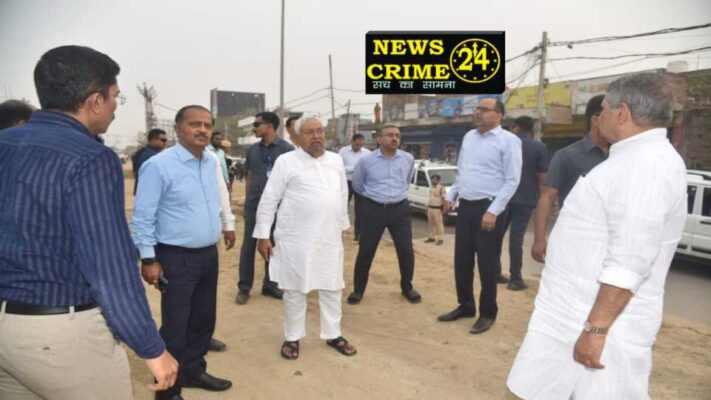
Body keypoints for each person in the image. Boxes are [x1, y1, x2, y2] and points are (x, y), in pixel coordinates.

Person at [0, 45, 177, 399]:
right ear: (95, 101)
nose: (115, 106)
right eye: (115, 96)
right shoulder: (91, 158)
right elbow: (109, 267)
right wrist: (151, 347)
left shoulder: (4, 143)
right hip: (59, 334)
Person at [507, 72, 687, 400]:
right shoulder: (633, 158)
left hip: (597, 329)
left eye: (603, 109)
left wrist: (596, 329)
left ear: (622, 113)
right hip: (570, 319)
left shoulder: (646, 166)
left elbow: (630, 260)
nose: (598, 116)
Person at [132, 105, 236, 399]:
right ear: (178, 129)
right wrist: (149, 258)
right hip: (175, 257)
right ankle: (168, 392)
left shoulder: (210, 162)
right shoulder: (158, 165)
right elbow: (143, 217)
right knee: (176, 326)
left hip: (207, 254)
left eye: (207, 125)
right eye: (195, 124)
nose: (202, 130)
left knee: (203, 320)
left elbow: (219, 198)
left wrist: (227, 223)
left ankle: (193, 371)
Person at [254, 116, 357, 360]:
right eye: (310, 132)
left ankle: (333, 334)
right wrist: (263, 235)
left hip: (329, 237)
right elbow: (269, 199)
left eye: (320, 131)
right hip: (295, 238)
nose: (317, 136)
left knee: (332, 286)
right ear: (298, 137)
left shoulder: (335, 160)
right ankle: (292, 337)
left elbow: (342, 193)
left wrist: (342, 224)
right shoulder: (286, 161)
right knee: (295, 288)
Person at [437, 98, 522, 335]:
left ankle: (487, 313)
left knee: (487, 263)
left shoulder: (509, 141)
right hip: (466, 206)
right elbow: (462, 171)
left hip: (489, 208)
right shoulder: (469, 137)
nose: (478, 113)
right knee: (462, 260)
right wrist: (451, 195)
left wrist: (493, 211)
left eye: (484, 110)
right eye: (477, 109)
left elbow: (512, 180)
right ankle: (465, 306)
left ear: (499, 115)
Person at [347, 125, 421, 305]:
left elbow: (406, 181)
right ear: (379, 139)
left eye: (397, 135)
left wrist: (395, 196)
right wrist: (375, 198)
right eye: (390, 135)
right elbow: (358, 185)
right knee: (366, 250)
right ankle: (358, 290)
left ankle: (407, 287)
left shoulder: (408, 159)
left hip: (400, 210)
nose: (395, 138)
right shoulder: (366, 161)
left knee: (406, 250)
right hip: (374, 209)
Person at [531, 95, 608, 263]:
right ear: (596, 119)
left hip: (611, 243)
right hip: (575, 241)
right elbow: (547, 197)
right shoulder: (567, 156)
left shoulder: (622, 155)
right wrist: (539, 239)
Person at [237, 111, 294, 304]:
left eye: (257, 124)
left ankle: (270, 284)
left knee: (274, 246)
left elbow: (291, 180)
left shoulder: (286, 150)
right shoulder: (252, 150)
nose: (254, 128)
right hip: (254, 206)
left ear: (269, 126)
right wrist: (247, 202)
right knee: (248, 247)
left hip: (278, 207)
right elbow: (250, 176)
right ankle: (244, 287)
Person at [498, 116, 548, 291]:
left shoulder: (505, 144)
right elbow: (542, 178)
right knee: (516, 239)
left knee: (497, 235)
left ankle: (495, 272)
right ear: (532, 129)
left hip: (502, 197)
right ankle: (515, 278)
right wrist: (543, 200)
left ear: (516, 127)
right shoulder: (539, 147)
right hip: (525, 198)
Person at [338, 133, 371, 241]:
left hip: (361, 183)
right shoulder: (343, 151)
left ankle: (358, 234)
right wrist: (354, 168)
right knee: (342, 207)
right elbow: (339, 167)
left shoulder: (367, 153)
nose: (358, 147)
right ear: (352, 142)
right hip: (346, 182)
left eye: (360, 145)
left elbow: (368, 168)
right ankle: (339, 231)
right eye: (356, 144)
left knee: (360, 210)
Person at [132, 128, 168, 194]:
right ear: (153, 140)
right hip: (150, 193)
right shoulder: (149, 156)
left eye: (166, 140)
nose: (165, 143)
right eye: (163, 140)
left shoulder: (149, 153)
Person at [424, 174, 446, 245]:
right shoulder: (431, 188)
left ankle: (440, 239)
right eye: (432, 179)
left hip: (437, 209)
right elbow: (430, 198)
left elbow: (444, 199)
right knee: (430, 224)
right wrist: (427, 208)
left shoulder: (441, 188)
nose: (433, 181)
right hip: (430, 208)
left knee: (438, 224)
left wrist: (444, 209)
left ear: (438, 180)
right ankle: (431, 237)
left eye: (435, 179)